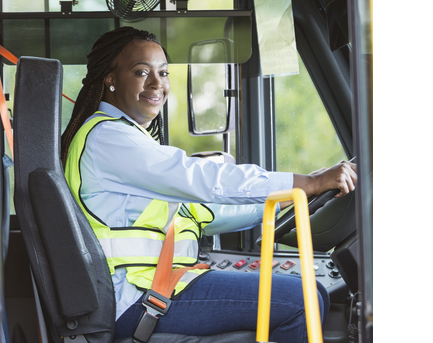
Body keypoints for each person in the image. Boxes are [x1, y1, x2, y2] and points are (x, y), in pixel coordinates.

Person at [60, 27, 357, 342]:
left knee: (311, 294)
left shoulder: (127, 141)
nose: (156, 83)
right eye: (141, 72)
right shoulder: (109, 138)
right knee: (302, 301)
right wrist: (308, 183)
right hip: (136, 300)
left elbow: (208, 210)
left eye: (163, 73)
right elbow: (201, 179)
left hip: (157, 288)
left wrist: (297, 192)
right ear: (110, 78)